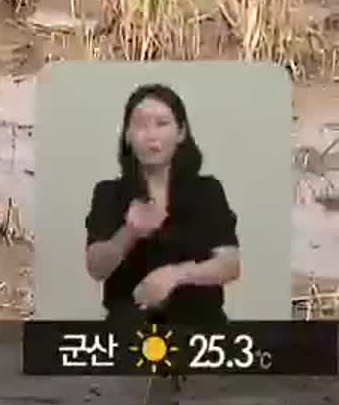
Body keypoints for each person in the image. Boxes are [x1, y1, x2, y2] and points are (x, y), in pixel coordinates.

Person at [84, 83, 241, 326]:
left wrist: (175, 275)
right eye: (140, 125)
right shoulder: (109, 193)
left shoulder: (207, 191)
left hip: (201, 331)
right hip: (129, 331)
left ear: (180, 133)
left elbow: (229, 265)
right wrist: (129, 233)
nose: (151, 135)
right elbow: (96, 268)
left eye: (162, 123)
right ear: (127, 135)